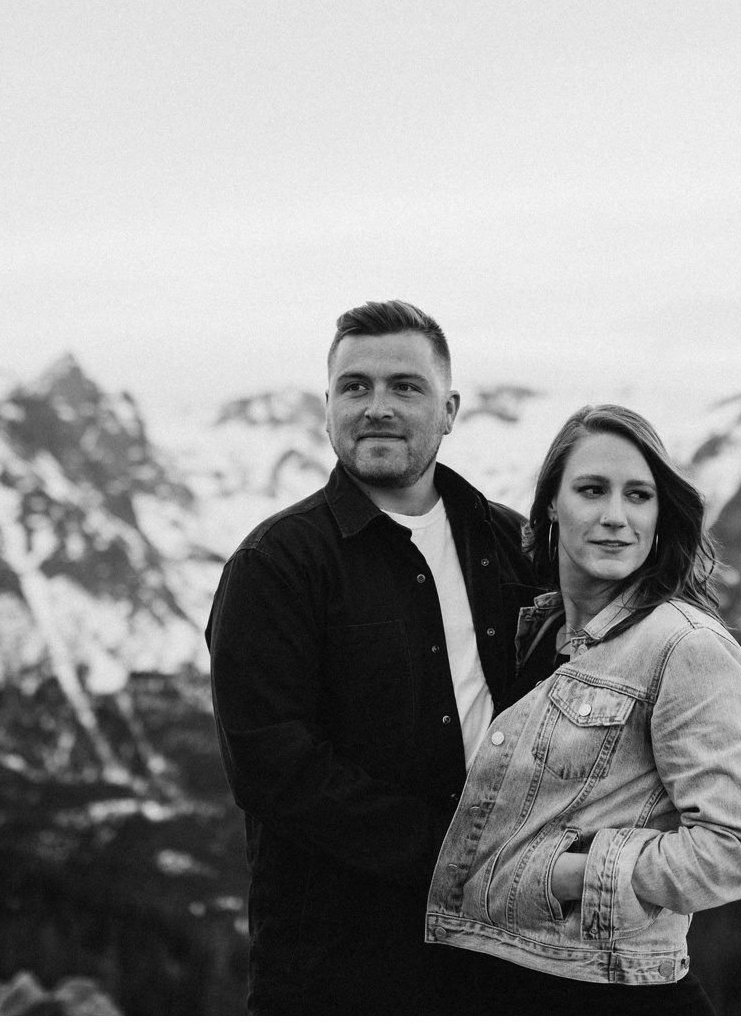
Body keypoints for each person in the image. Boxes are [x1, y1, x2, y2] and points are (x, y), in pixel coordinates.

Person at [205, 301, 538, 1013]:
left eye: (405, 388)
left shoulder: (510, 546)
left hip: (508, 956)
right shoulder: (276, 565)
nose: (377, 407)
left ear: (449, 410)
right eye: (355, 387)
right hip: (340, 968)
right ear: (327, 408)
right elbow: (273, 765)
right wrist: (455, 854)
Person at [425, 404, 741, 1012]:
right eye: (592, 490)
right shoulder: (535, 632)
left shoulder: (685, 647)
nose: (616, 516)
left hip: (610, 992)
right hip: (503, 979)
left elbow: (739, 848)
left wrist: (579, 874)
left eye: (638, 496)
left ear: (661, 514)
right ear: (552, 506)